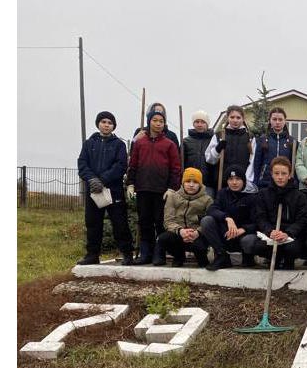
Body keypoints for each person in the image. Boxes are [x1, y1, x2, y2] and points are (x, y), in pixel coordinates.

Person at [76, 110, 134, 266]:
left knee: (120, 223)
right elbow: (82, 164)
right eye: (104, 122)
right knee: (93, 223)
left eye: (110, 123)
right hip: (93, 191)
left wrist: (102, 179)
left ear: (113, 126)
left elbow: (121, 165)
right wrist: (92, 179)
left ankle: (127, 253)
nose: (106, 125)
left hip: (113, 190)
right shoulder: (89, 144)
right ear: (98, 124)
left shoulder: (119, 145)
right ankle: (92, 255)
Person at [126, 107, 182, 264]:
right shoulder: (139, 143)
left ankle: (159, 253)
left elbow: (176, 169)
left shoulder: (169, 144)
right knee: (145, 221)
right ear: (149, 122)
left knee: (160, 222)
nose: (158, 124)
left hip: (161, 190)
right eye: (155, 120)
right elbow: (133, 164)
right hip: (143, 188)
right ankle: (146, 254)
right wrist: (130, 183)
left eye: (161, 121)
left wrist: (172, 188)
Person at [241, 157, 307, 270]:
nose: (280, 177)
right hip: (271, 234)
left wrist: (287, 233)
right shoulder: (263, 194)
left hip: (290, 236)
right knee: (257, 246)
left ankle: (288, 261)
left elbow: (302, 220)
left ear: (289, 175)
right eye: (276, 173)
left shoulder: (299, 196)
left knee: (292, 248)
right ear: (272, 174)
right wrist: (270, 231)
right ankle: (273, 260)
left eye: (284, 173)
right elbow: (260, 217)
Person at [200, 165, 258, 271]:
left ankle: (248, 257)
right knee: (206, 221)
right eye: (231, 179)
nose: (234, 182)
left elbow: (257, 221)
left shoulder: (252, 196)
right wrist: (227, 218)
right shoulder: (222, 193)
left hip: (243, 235)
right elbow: (212, 209)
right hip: (227, 234)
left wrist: (243, 229)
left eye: (237, 179)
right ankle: (222, 256)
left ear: (243, 180)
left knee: (249, 240)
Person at [153, 167, 213, 267]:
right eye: (188, 181)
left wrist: (197, 232)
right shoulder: (173, 197)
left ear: (200, 184)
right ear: (183, 182)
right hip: (179, 235)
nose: (191, 185)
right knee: (164, 238)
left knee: (201, 254)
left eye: (195, 182)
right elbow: (168, 221)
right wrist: (180, 231)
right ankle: (179, 256)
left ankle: (202, 258)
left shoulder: (207, 200)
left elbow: (210, 221)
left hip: (197, 236)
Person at [204, 105, 253, 195]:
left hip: (242, 183)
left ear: (243, 119)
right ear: (227, 118)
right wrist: (217, 149)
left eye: (238, 117)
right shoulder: (219, 136)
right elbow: (209, 159)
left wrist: (247, 179)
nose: (235, 120)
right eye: (232, 117)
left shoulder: (249, 138)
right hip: (222, 182)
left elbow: (252, 161)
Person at [249, 107, 297, 189]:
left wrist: (294, 182)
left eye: (280, 119)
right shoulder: (262, 140)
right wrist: (256, 182)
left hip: (285, 184)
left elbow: (295, 164)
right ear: (270, 120)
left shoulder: (292, 141)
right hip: (265, 183)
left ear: (285, 121)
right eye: (274, 119)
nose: (277, 122)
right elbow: (257, 164)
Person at [181, 110, 214, 177]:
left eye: (203, 122)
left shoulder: (213, 141)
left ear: (207, 124)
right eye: (197, 122)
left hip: (209, 182)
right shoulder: (185, 142)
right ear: (193, 124)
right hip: (190, 181)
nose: (199, 124)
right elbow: (180, 162)